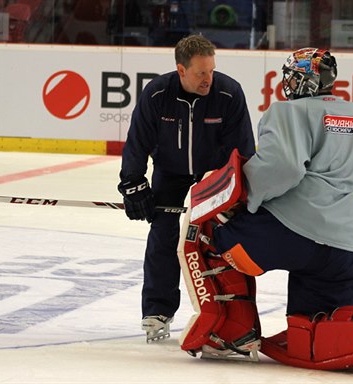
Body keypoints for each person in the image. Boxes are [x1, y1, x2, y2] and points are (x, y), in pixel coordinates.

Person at [178, 48, 353, 378]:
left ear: (299, 79)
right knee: (311, 334)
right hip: (348, 249)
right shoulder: (350, 113)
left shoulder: (288, 112)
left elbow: (281, 168)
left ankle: (231, 335)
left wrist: (242, 200)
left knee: (209, 234)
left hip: (292, 235)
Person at [117, 34, 256, 342]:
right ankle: (157, 311)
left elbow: (243, 148)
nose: (208, 79)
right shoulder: (157, 95)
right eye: (200, 73)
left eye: (211, 71)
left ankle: (231, 315)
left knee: (223, 238)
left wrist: (241, 189)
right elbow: (137, 142)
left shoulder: (229, 93)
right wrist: (132, 184)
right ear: (181, 70)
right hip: (171, 173)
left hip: (215, 176)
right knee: (163, 235)